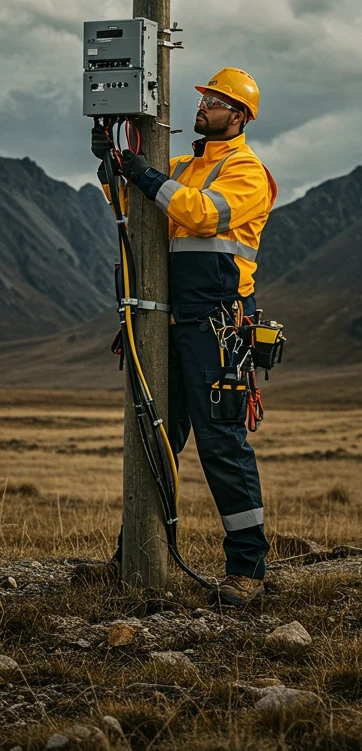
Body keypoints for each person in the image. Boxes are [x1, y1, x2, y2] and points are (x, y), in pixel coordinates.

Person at [90, 67, 277, 606]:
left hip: (216, 326)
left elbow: (202, 215)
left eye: (215, 101)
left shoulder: (246, 171)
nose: (203, 106)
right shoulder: (179, 167)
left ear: (239, 117)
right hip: (162, 323)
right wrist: (110, 165)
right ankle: (133, 557)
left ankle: (247, 570)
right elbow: (130, 209)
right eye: (204, 99)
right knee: (154, 440)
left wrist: (144, 175)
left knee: (222, 446)